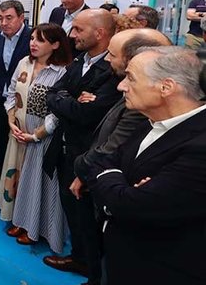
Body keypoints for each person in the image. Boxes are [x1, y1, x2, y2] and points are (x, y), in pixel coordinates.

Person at [85, 46, 206, 285]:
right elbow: (102, 163)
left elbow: (132, 204)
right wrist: (122, 185)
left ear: (166, 87)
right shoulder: (153, 122)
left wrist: (120, 191)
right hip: (124, 274)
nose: (121, 86)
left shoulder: (200, 146)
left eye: (131, 78)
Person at [42, 9, 120, 285]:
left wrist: (68, 102)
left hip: (88, 156)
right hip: (66, 149)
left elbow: (87, 114)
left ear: (99, 34)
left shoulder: (111, 73)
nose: (71, 35)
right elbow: (54, 93)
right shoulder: (79, 63)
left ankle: (96, 284)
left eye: (77, 30)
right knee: (73, 212)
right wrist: (70, 101)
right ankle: (79, 259)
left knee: (90, 219)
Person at [72, 28, 171, 194]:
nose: (107, 58)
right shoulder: (118, 81)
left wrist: (80, 165)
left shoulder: (144, 105)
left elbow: (112, 149)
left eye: (112, 54)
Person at [2, 24, 71, 253]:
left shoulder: (63, 72)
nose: (33, 43)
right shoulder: (24, 63)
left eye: (39, 40)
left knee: (38, 184)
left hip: (42, 137)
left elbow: (59, 112)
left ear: (55, 44)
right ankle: (18, 219)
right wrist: (12, 121)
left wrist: (36, 135)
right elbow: (11, 92)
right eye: (32, 38)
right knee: (16, 175)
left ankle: (34, 227)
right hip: (19, 131)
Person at [0, 0, 32, 191]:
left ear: (21, 17)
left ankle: (21, 188)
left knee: (21, 148)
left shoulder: (32, 38)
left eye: (9, 18)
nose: (4, 22)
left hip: (23, 104)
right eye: (1, 18)